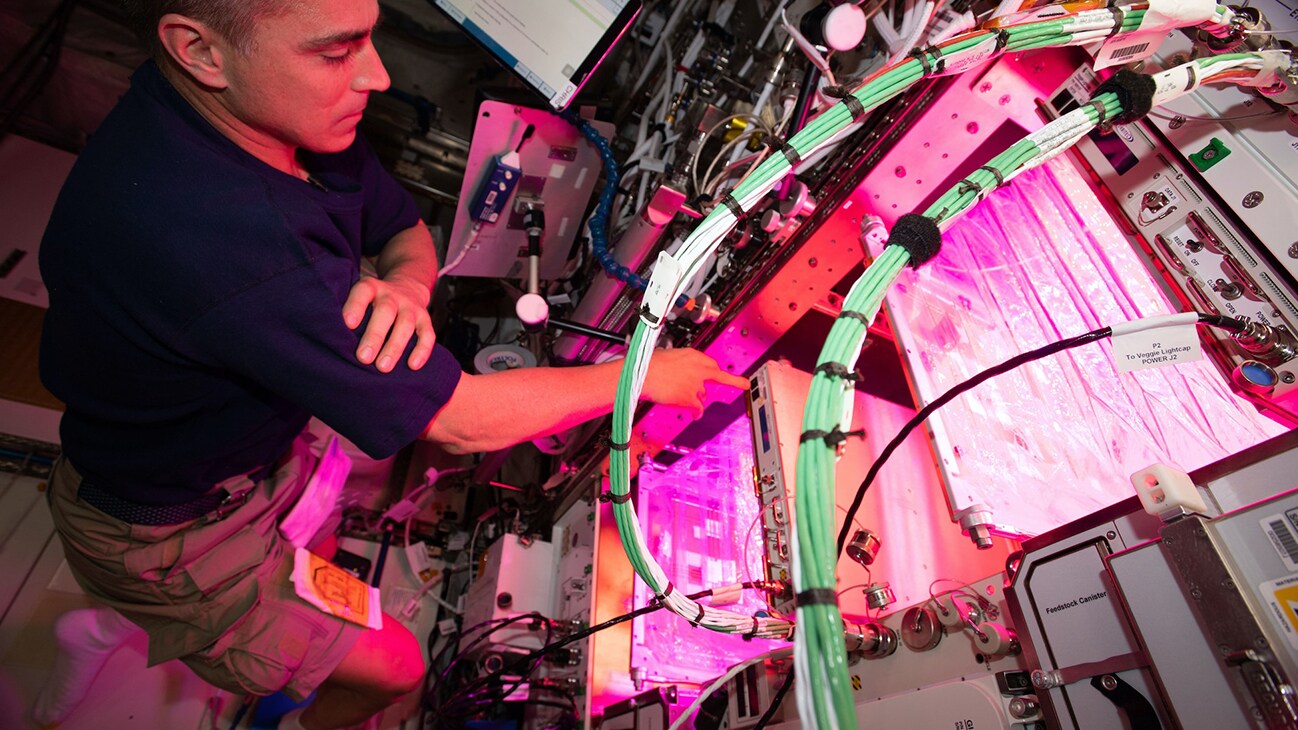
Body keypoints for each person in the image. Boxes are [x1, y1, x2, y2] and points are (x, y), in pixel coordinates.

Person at [36, 1, 748, 728]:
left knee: (334, 528)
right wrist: (649, 375)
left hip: (222, 460)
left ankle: (103, 626)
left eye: (369, 36)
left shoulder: (268, 118)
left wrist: (406, 286)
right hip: (163, 533)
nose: (376, 75)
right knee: (399, 670)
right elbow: (465, 423)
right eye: (336, 51)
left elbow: (405, 227)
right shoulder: (226, 240)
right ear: (201, 51)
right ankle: (160, 622)